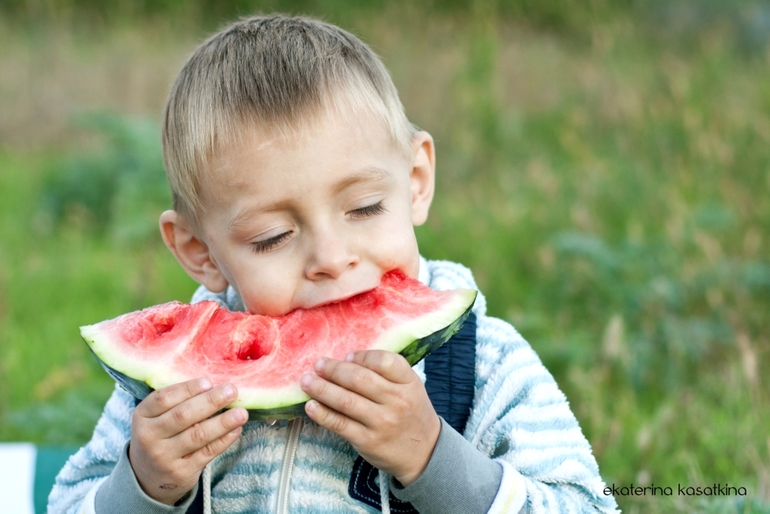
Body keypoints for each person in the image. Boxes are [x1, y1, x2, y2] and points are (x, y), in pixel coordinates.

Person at [49, 14, 619, 514]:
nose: (330, 258)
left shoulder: (484, 366)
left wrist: (435, 459)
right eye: (272, 237)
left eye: (365, 208)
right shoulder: (167, 385)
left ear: (416, 183)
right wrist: (144, 484)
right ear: (200, 252)